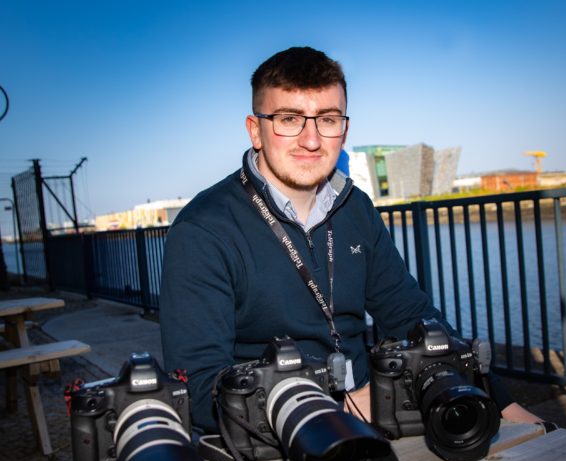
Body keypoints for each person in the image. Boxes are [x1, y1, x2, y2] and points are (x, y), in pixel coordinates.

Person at [160, 46, 544, 434]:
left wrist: (503, 403)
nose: (311, 140)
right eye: (289, 119)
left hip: (374, 417)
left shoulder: (355, 207)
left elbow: (414, 318)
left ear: (344, 129)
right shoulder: (203, 229)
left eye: (327, 119)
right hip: (272, 438)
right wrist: (336, 408)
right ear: (255, 130)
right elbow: (197, 387)